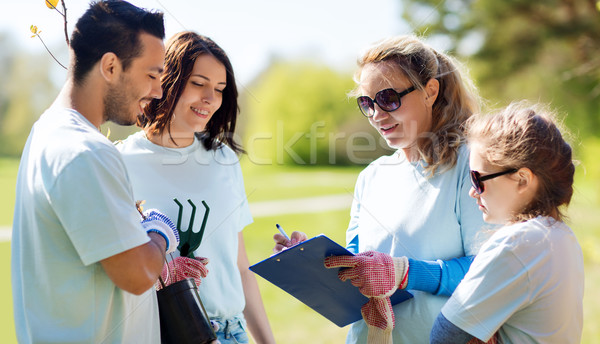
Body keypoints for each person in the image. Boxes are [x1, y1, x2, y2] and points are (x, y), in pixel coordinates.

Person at [274, 35, 492, 343]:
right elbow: (358, 268)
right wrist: (314, 261)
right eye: (367, 102)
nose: (377, 114)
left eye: (389, 98)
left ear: (430, 91)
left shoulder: (470, 166)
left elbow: (487, 270)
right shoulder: (371, 176)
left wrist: (402, 272)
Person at [11, 0, 181, 343]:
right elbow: (138, 274)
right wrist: (160, 230)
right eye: (151, 74)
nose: (158, 91)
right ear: (110, 67)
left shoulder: (47, 132)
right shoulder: (85, 152)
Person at [117, 31, 276, 344]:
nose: (210, 99)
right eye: (198, 83)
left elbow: (240, 268)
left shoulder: (223, 159)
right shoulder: (121, 162)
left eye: (218, 89)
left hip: (233, 334)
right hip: (166, 334)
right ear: (167, 80)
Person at [430, 103, 584, 344]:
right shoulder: (562, 236)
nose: (473, 192)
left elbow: (444, 336)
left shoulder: (516, 243)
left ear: (522, 180)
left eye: (477, 178)